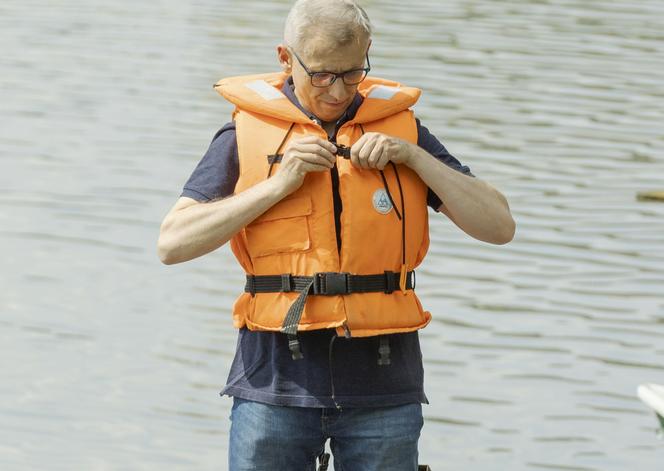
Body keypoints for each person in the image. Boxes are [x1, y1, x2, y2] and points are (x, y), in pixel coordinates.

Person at [158, 0, 515, 469]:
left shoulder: (402, 131)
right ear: (286, 58)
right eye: (323, 74)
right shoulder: (246, 133)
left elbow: (499, 227)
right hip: (274, 382)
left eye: (353, 73)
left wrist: (414, 157)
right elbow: (172, 243)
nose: (339, 90)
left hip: (383, 383)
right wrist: (277, 185)